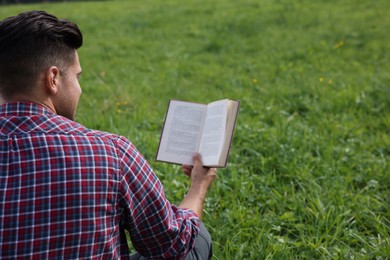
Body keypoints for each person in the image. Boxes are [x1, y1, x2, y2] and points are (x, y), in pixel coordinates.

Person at [0, 10, 216, 259]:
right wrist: (198, 187)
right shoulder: (111, 152)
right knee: (197, 238)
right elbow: (173, 244)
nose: (79, 89)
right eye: (77, 76)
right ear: (53, 79)